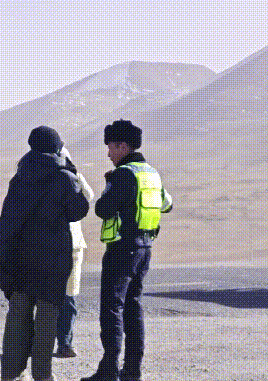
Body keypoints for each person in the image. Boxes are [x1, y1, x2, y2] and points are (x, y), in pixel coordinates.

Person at [0, 126, 90, 381]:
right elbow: (78, 210)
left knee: (17, 317)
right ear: (57, 147)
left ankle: (11, 374)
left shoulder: (20, 177)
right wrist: (72, 171)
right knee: (47, 319)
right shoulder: (63, 177)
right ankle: (43, 375)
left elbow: (8, 220)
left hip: (20, 261)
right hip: (52, 262)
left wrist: (2, 262)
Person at [81, 120, 173, 381]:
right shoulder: (151, 173)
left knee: (112, 308)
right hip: (145, 248)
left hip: (122, 249)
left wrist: (110, 186)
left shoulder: (124, 174)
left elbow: (103, 209)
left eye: (111, 147)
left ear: (122, 146)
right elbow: (167, 204)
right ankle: (132, 370)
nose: (108, 154)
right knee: (133, 307)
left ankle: (109, 370)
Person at [55, 147, 95, 359]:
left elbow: (89, 195)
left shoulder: (73, 179)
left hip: (72, 245)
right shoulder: (40, 178)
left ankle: (65, 343)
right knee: (45, 298)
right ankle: (41, 342)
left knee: (68, 297)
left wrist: (75, 174)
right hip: (48, 246)